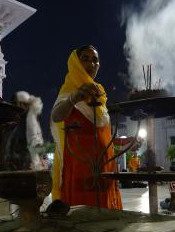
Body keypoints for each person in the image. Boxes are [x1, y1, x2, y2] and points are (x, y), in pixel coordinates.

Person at [50, 45, 122, 210]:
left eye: (95, 60)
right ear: (75, 62)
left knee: (105, 216)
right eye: (85, 59)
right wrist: (73, 99)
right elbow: (56, 116)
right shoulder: (70, 89)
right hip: (79, 165)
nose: (91, 64)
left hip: (104, 165)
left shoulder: (99, 92)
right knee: (81, 215)